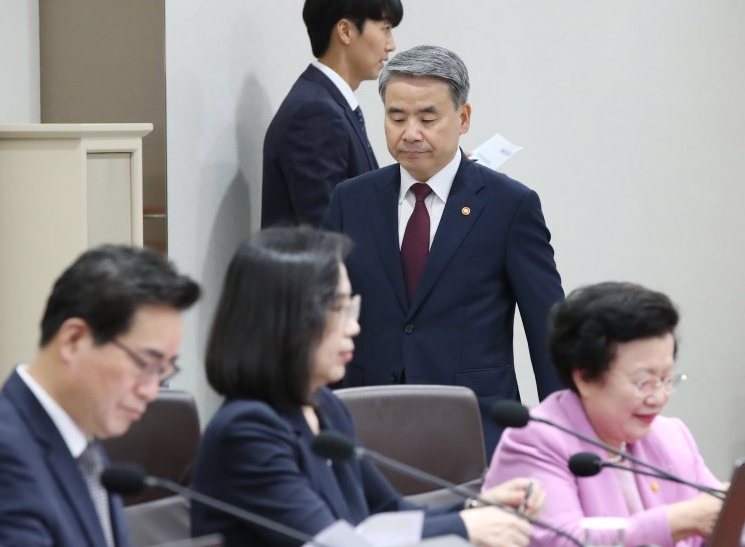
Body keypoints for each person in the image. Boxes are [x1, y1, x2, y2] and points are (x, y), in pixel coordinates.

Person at [191, 226, 542, 547]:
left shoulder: (324, 406)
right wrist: (466, 527)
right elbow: (336, 542)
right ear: (286, 320)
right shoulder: (247, 431)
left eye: (351, 307)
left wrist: (477, 505)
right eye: (338, 309)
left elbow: (386, 514)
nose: (353, 327)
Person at [321, 45, 564, 457]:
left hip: (473, 426)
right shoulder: (351, 201)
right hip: (364, 425)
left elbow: (548, 328)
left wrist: (561, 432)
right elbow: (319, 314)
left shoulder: (509, 206)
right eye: (396, 117)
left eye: (427, 117)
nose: (410, 132)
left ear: (463, 118)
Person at [0, 245, 200, 546]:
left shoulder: (85, 447)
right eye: (145, 364)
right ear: (73, 340)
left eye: (163, 370)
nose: (150, 391)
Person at [483, 282, 725, 546]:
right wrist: (676, 521)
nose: (659, 397)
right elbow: (562, 540)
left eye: (666, 379)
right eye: (644, 382)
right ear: (585, 377)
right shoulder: (535, 441)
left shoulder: (670, 435)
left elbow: (720, 520)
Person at [261, 0, 402, 228]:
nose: (391, 45)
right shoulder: (315, 113)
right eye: (385, 28)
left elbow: (360, 200)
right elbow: (328, 234)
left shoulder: (328, 103)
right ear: (346, 31)